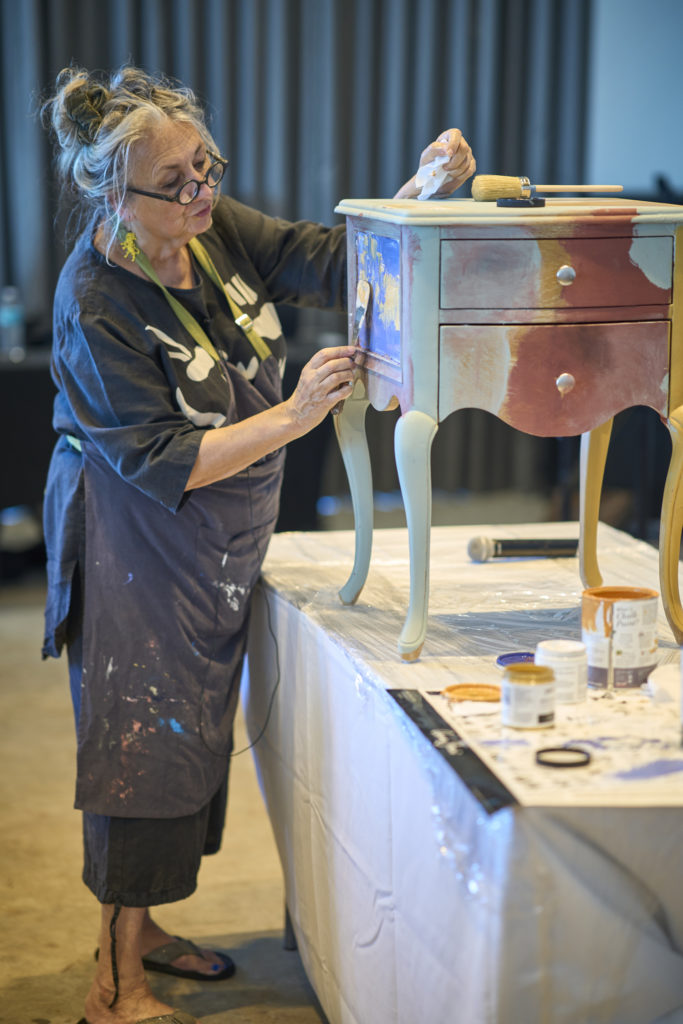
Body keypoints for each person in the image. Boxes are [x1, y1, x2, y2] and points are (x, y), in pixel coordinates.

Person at [40, 64, 475, 1024]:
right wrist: (296, 413)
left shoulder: (212, 228)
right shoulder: (94, 298)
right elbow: (160, 458)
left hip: (215, 539)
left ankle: (143, 929)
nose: (204, 193)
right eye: (178, 183)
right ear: (114, 193)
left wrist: (419, 192)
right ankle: (112, 986)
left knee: (191, 730)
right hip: (132, 539)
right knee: (139, 743)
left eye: (208, 167)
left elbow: (328, 258)